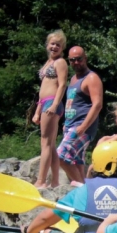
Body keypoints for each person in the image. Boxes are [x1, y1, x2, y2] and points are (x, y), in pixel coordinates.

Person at [57, 46, 104, 186]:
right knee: (76, 161)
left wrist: (83, 126)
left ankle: (81, 187)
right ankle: (84, 194)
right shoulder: (73, 79)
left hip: (82, 126)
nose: (76, 62)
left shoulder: (91, 78)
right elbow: (73, 103)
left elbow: (97, 105)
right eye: (72, 60)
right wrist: (66, 123)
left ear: (85, 58)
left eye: (79, 59)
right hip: (71, 125)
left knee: (60, 155)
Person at [31, 30, 69, 189]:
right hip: (45, 102)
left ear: (62, 48)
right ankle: (54, 181)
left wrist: (54, 105)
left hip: (52, 102)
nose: (54, 47)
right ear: (47, 45)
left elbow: (62, 85)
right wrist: (37, 111)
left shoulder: (60, 62)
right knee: (51, 144)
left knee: (45, 143)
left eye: (58, 45)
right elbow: (42, 88)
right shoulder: (48, 63)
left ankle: (41, 181)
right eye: (52, 44)